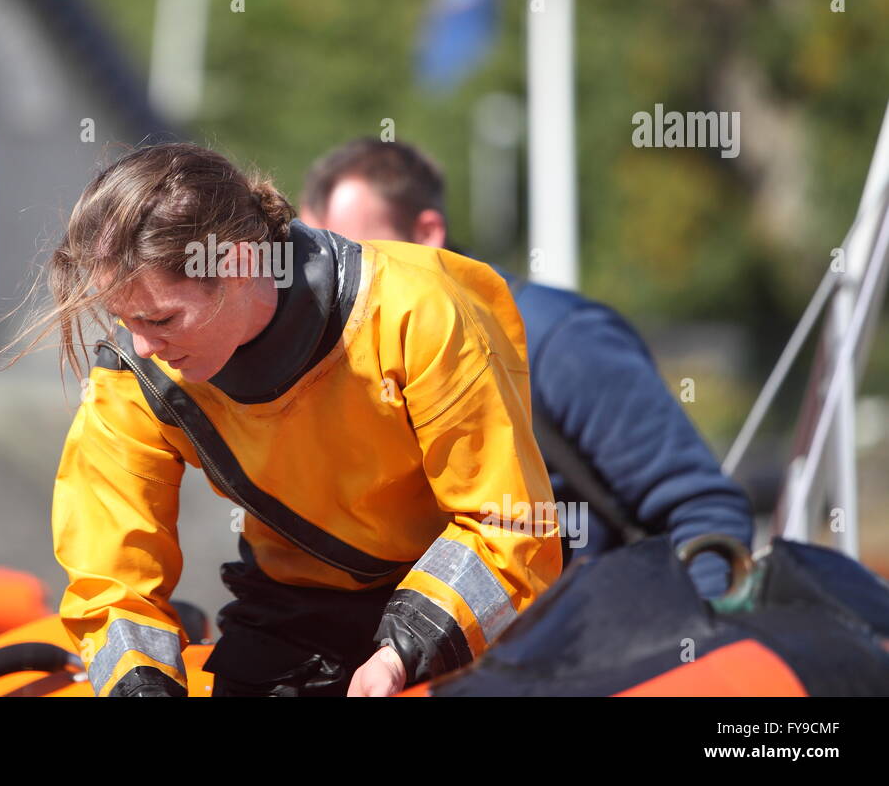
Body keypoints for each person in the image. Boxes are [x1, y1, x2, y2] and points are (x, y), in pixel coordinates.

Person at [3, 142, 562, 697]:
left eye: (162, 318)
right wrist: (138, 686)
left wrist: (399, 654)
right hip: (290, 616)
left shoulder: (416, 313)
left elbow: (508, 525)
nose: (143, 346)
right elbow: (110, 576)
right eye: (125, 320)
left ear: (242, 262)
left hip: (451, 611)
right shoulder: (135, 374)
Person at [301, 138, 754, 599]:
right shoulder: (342, 372)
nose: (337, 284)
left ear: (426, 233)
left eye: (357, 257)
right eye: (322, 264)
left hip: (589, 651)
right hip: (432, 660)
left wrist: (695, 643)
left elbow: (701, 513)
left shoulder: (562, 339)